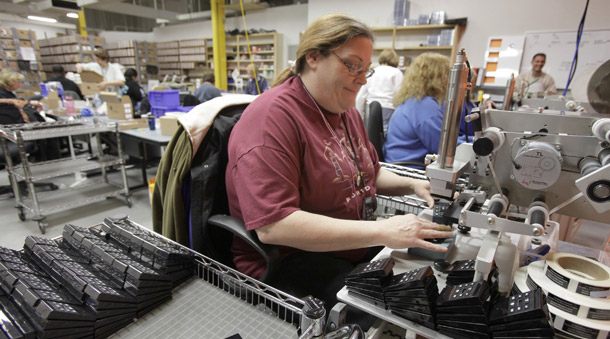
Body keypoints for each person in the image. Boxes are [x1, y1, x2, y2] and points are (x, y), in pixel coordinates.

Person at [226, 14, 452, 314]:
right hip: (290, 258)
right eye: (351, 65)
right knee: (390, 312)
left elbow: (370, 172)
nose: (361, 78)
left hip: (346, 245)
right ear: (314, 56)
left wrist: (412, 184)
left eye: (365, 69)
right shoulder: (270, 119)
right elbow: (275, 226)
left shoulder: (345, 112)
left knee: (427, 280)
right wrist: (383, 230)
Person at [384, 52, 471, 166]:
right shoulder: (424, 105)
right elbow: (444, 149)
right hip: (411, 169)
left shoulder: (415, 101)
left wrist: (469, 140)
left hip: (403, 163)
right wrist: (474, 143)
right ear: (440, 77)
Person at [355, 49, 404, 131]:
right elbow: (400, 95)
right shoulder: (396, 72)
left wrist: (358, 116)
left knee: (371, 135)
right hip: (388, 108)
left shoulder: (373, 71)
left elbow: (360, 96)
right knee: (385, 136)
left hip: (370, 108)